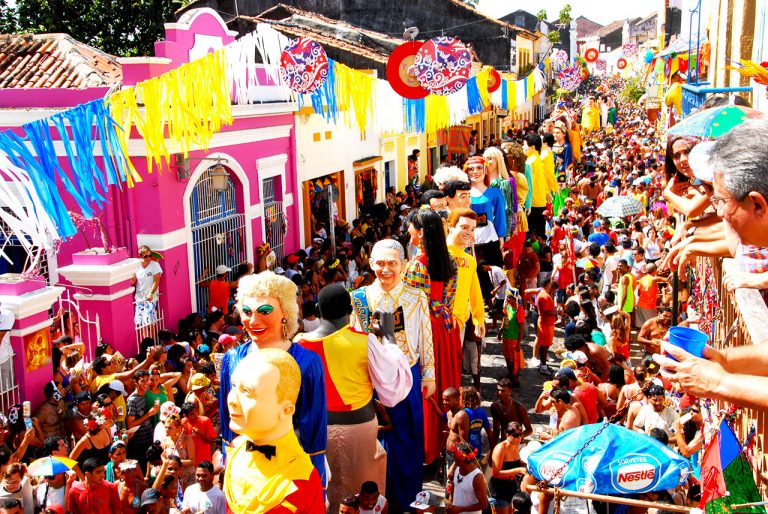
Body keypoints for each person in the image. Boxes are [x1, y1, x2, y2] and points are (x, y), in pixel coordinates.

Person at [297, 284, 411, 512]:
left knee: (324, 494)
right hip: (359, 430)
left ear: (318, 310)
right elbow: (393, 386)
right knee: (362, 499)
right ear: (350, 310)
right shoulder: (363, 341)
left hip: (315, 433)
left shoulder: (299, 344)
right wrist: (389, 337)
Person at [219, 272, 327, 485]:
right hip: (245, 469)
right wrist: (230, 465)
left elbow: (313, 428)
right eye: (247, 312)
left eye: (265, 311)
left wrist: (315, 481)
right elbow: (227, 424)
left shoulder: (307, 362)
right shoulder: (232, 358)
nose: (253, 321)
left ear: (285, 313)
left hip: (291, 471)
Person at [350, 240, 434, 512]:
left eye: (392, 263)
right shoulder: (359, 298)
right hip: (370, 378)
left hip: (407, 376)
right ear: (371, 263)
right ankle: (373, 499)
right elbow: (353, 339)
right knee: (371, 439)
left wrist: (429, 375)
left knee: (408, 438)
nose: (386, 269)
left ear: (404, 265)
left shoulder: (416, 296)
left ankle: (408, 498)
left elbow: (425, 336)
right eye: (380, 263)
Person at [223, 348, 325, 514]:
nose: (232, 400)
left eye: (247, 391)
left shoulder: (302, 478)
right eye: (234, 386)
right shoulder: (236, 451)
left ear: (286, 410)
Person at [402, 209, 461, 466]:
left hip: (426, 329)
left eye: (412, 227)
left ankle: (427, 448)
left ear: (422, 232)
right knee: (445, 382)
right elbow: (448, 299)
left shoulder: (417, 265)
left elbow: (410, 305)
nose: (409, 232)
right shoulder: (450, 261)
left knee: (427, 384)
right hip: (446, 326)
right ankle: (444, 442)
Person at [465, 156, 506, 266]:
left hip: (489, 238)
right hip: (468, 239)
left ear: (485, 170)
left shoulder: (495, 193)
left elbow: (500, 215)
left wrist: (501, 236)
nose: (475, 172)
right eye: (471, 169)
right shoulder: (463, 193)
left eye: (479, 168)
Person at [125, 370, 160, 469]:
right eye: (142, 381)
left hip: (149, 438)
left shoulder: (146, 394)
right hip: (139, 443)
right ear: (135, 382)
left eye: (147, 380)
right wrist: (149, 414)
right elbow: (131, 424)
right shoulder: (132, 400)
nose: (146, 383)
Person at [489, 422, 527, 514]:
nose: (519, 438)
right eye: (516, 435)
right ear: (507, 435)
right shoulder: (500, 448)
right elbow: (495, 473)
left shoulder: (517, 446)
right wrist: (517, 470)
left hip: (511, 488)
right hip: (499, 490)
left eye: (521, 435)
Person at [446, 442, 488, 514]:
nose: (455, 459)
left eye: (457, 457)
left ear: (465, 458)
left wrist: (460, 509)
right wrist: (451, 501)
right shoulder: (457, 468)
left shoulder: (477, 477)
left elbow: (484, 505)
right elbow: (455, 486)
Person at [490, 379, 532, 451]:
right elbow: (496, 430)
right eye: (498, 390)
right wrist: (492, 450)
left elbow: (529, 430)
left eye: (503, 391)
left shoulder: (519, 407)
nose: (499, 393)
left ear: (510, 391)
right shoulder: (495, 406)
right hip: (504, 444)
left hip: (517, 446)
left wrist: (517, 437)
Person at [498, 289, 525, 386]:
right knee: (507, 357)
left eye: (509, 297)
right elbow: (505, 318)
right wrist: (501, 330)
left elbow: (521, 329)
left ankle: (515, 380)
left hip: (514, 339)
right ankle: (510, 374)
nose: (507, 299)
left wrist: (518, 343)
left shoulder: (519, 311)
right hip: (506, 337)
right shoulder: (507, 307)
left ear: (514, 299)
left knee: (514, 360)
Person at [131, 245, 162, 326]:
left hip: (150, 298)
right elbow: (133, 281)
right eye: (146, 256)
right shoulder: (137, 266)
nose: (148, 258)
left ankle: (152, 338)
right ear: (140, 256)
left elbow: (157, 281)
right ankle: (146, 338)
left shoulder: (155, 265)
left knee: (149, 322)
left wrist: (151, 294)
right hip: (140, 298)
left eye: (150, 255)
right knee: (141, 324)